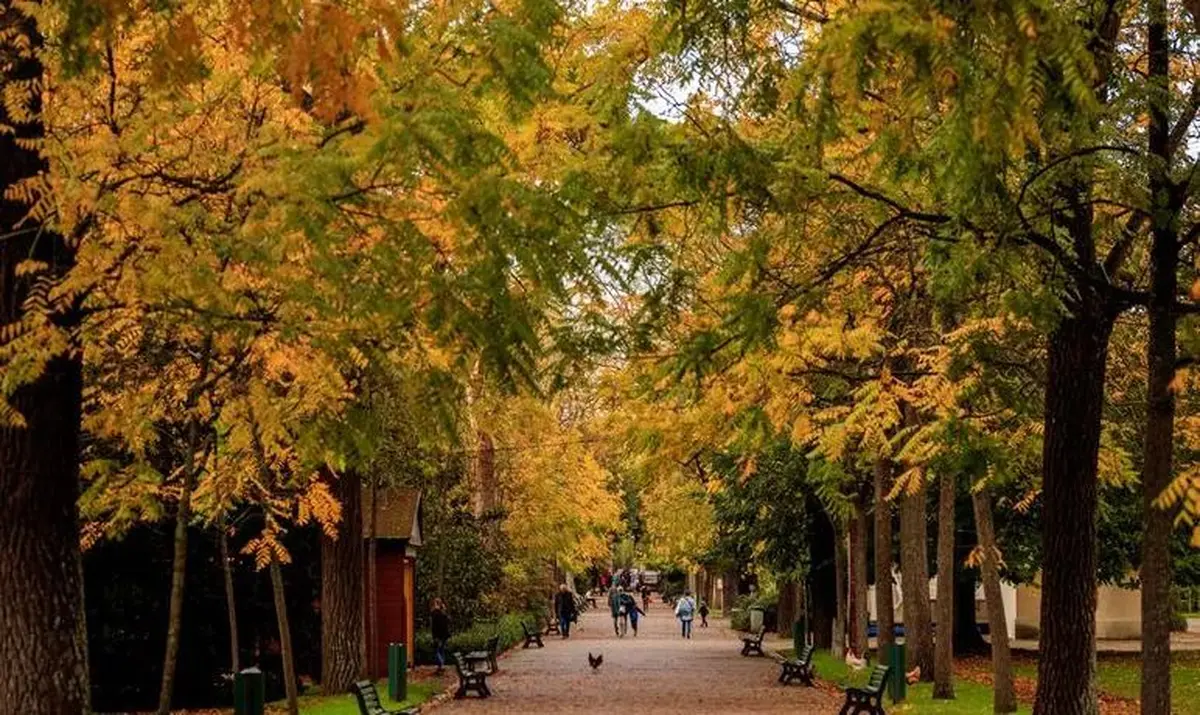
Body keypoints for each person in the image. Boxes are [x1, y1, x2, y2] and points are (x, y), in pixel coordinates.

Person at [431, 598, 450, 674]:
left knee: (437, 651)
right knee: (441, 651)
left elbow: (435, 626)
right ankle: (440, 667)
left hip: (438, 636)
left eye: (435, 603)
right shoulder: (443, 613)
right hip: (444, 635)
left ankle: (441, 665)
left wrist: (435, 637)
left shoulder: (435, 613)